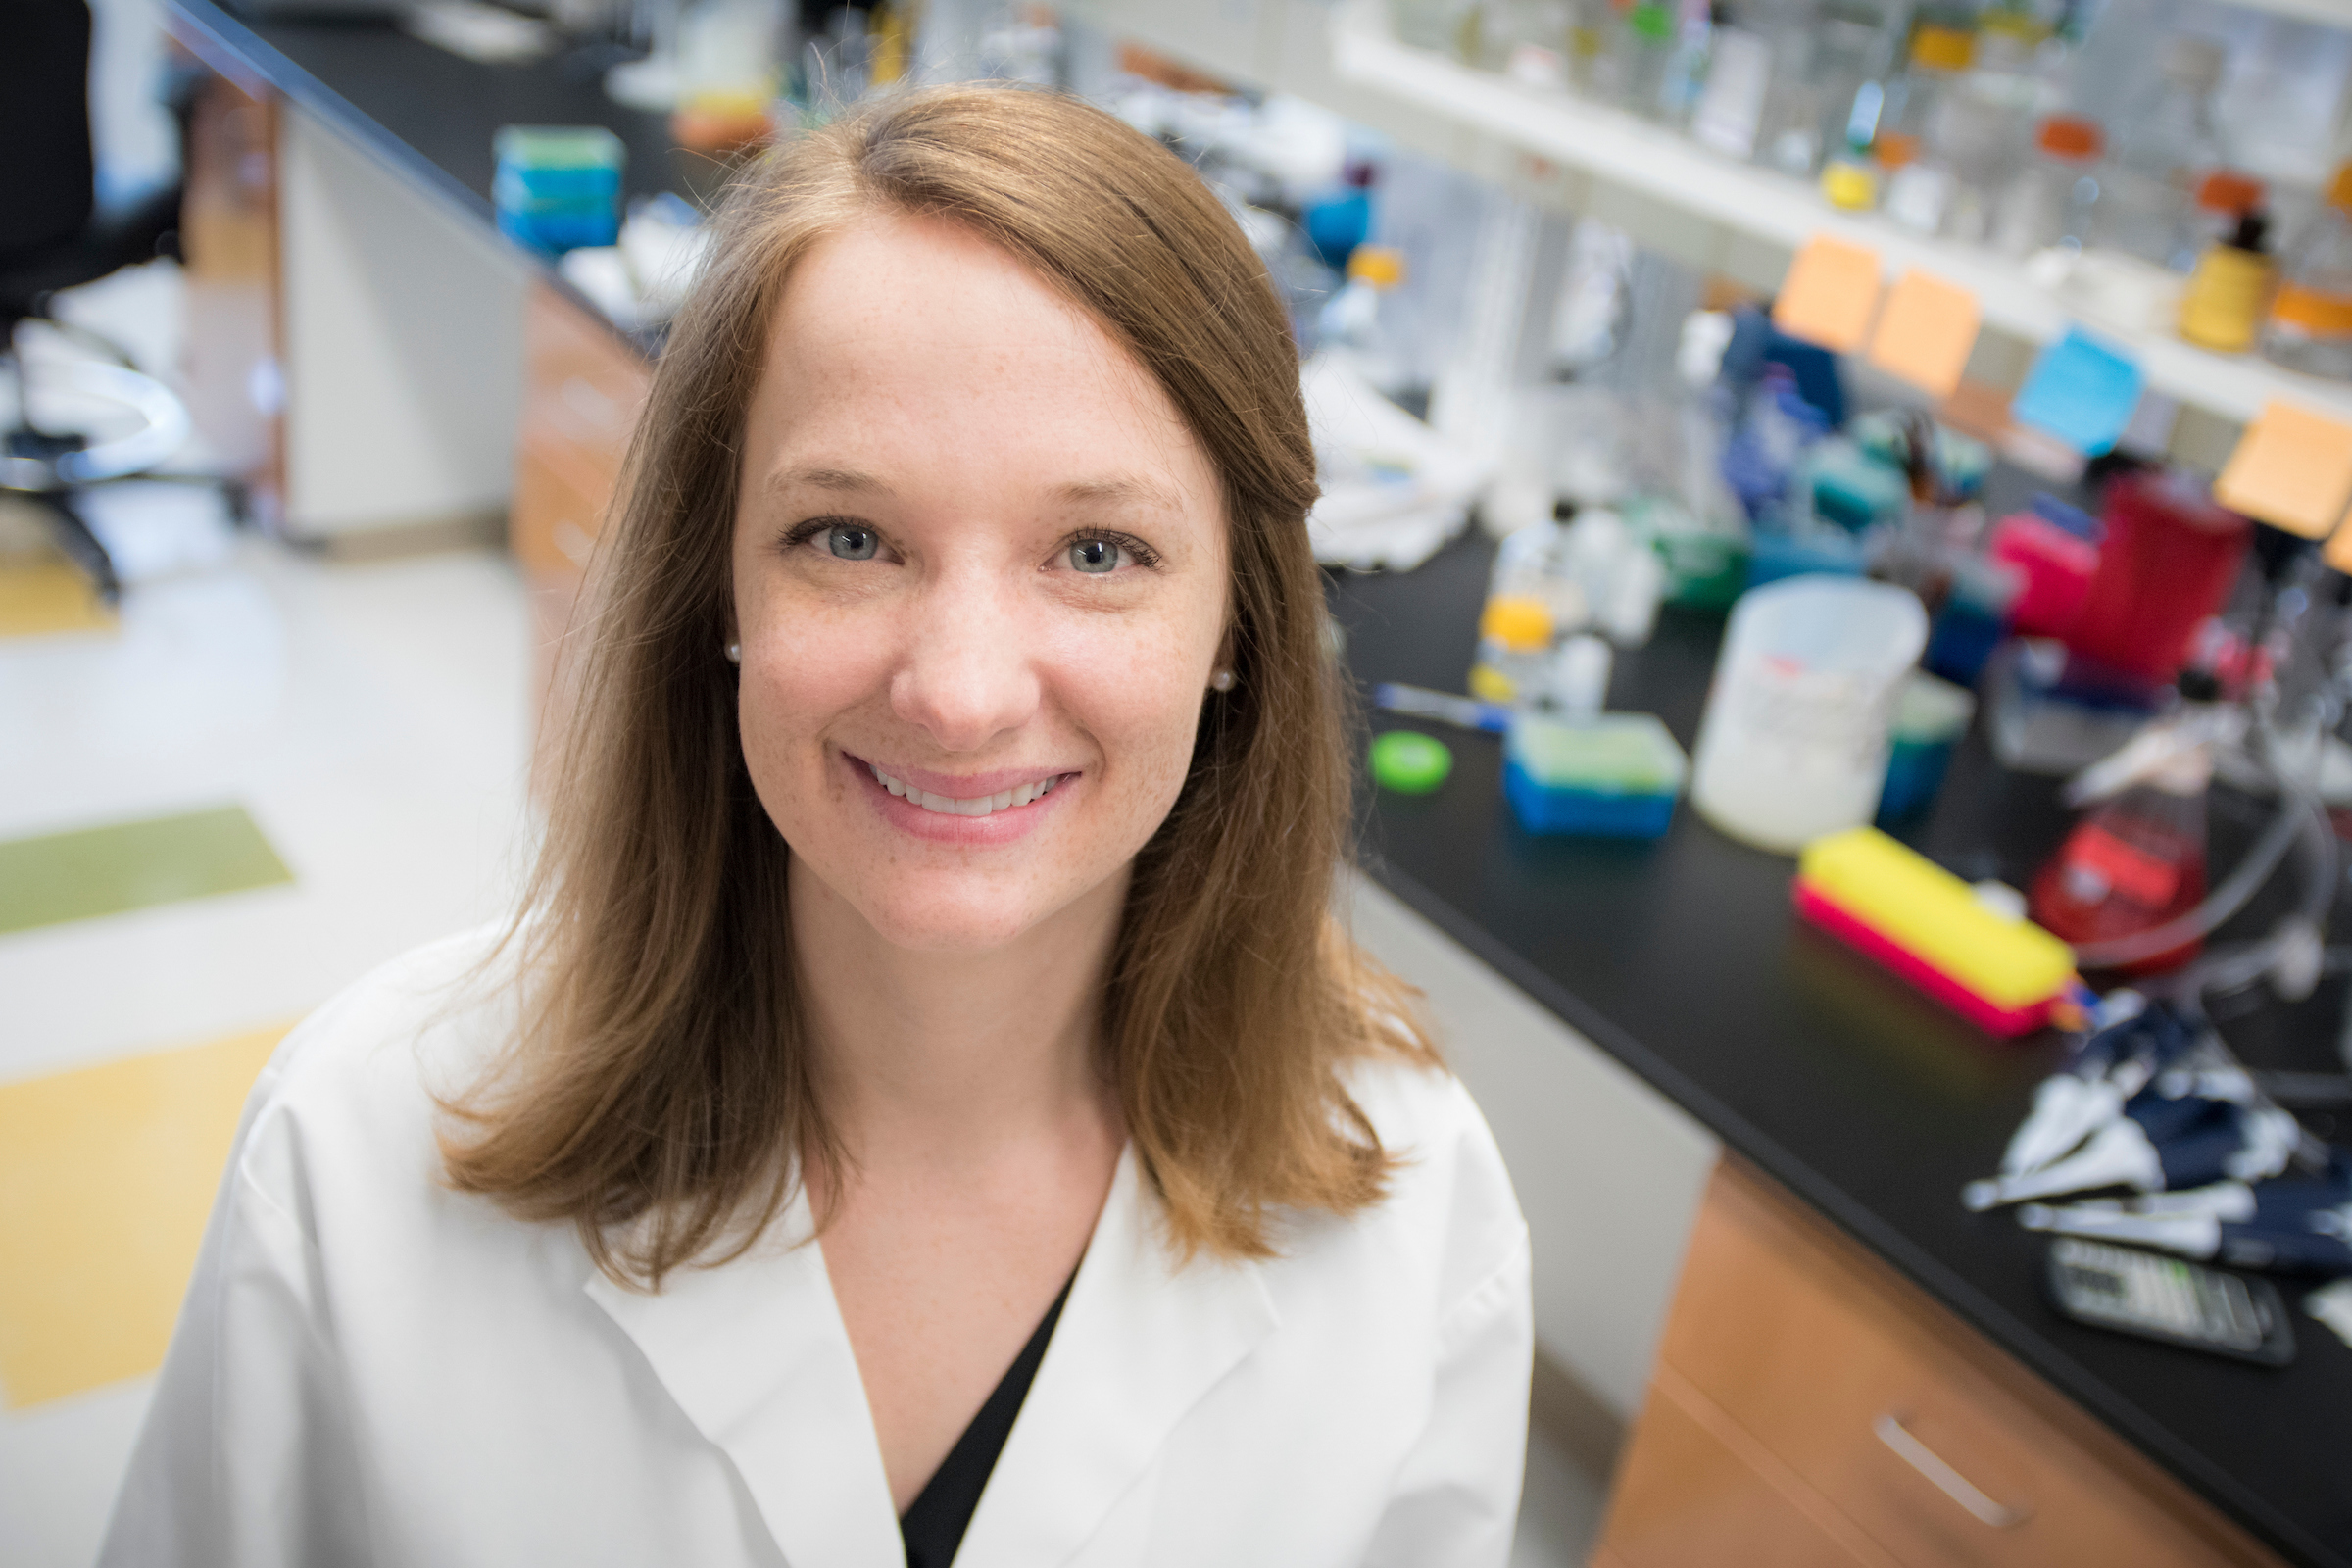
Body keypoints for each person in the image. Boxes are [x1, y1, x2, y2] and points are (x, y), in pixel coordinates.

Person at [100, 83, 1531, 1567]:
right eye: (848, 538)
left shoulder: (1420, 1209)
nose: (960, 694)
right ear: (719, 584)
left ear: (1237, 622)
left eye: (1099, 550)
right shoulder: (353, 1155)